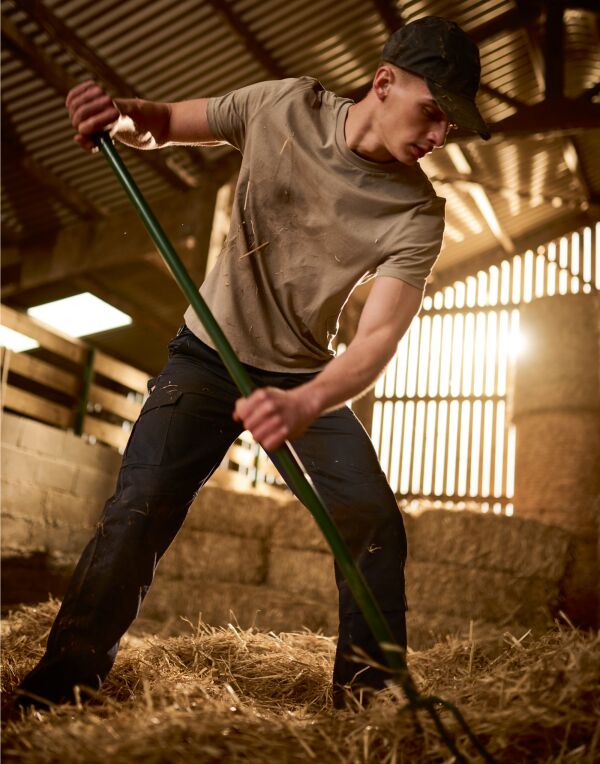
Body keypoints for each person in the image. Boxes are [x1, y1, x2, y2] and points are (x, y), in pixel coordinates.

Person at [17, 16, 489, 709]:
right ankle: (57, 693)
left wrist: (305, 402)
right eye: (433, 112)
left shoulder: (418, 213)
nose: (441, 135)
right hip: (206, 357)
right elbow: (160, 122)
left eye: (452, 124)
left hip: (305, 379)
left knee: (372, 524)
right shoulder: (281, 106)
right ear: (384, 83)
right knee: (138, 512)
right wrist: (116, 118)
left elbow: (375, 342)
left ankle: (368, 710)